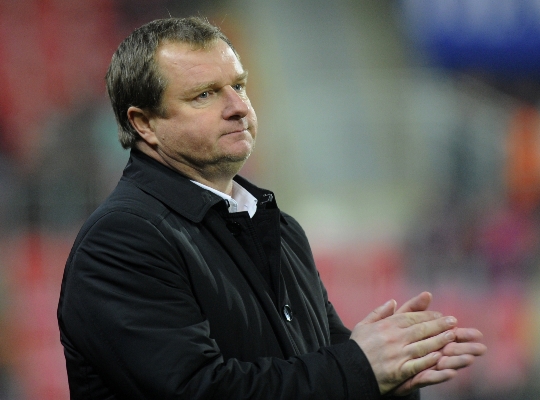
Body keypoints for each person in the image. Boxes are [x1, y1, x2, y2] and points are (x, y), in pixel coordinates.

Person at [57, 17, 486, 399]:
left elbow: (325, 371)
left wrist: (390, 376)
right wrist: (360, 367)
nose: (238, 107)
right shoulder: (121, 239)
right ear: (144, 123)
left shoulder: (281, 229)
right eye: (204, 94)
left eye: (239, 86)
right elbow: (199, 389)